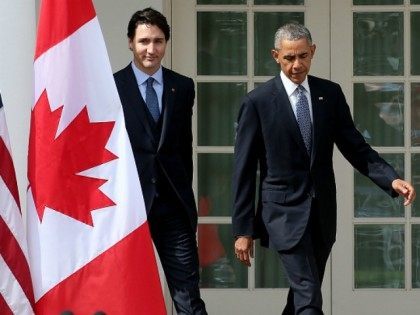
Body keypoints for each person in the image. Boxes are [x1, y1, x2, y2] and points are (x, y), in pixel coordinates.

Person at [232, 23, 415, 315]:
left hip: (322, 215)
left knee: (303, 294)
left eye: (303, 56)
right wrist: (243, 230)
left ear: (312, 52)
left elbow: (356, 146)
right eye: (289, 58)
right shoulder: (258, 102)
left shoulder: (329, 94)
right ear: (276, 56)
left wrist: (391, 179)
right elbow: (243, 170)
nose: (297, 64)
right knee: (309, 298)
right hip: (282, 215)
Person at [114, 8, 207, 315]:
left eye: (157, 41)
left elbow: (183, 149)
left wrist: (187, 202)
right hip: (126, 209)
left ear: (166, 43)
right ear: (130, 43)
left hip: (172, 207)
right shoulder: (111, 86)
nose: (150, 49)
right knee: (123, 295)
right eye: (143, 41)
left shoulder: (183, 87)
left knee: (188, 297)